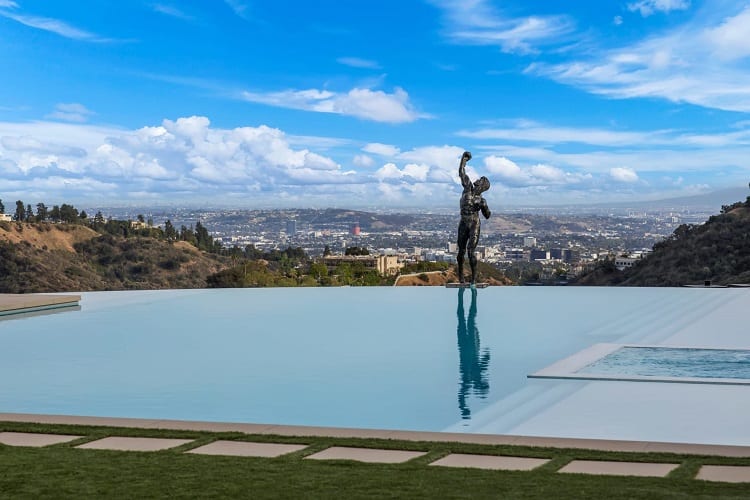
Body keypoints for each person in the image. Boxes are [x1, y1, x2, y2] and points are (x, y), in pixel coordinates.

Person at [456, 151, 491, 285]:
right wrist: (463, 160)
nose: (477, 180)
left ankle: (473, 279)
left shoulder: (481, 199)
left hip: (474, 224)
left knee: (471, 251)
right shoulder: (467, 188)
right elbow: (461, 172)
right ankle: (461, 277)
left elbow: (487, 216)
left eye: (481, 180)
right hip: (463, 222)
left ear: (483, 186)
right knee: (460, 252)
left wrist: (484, 206)